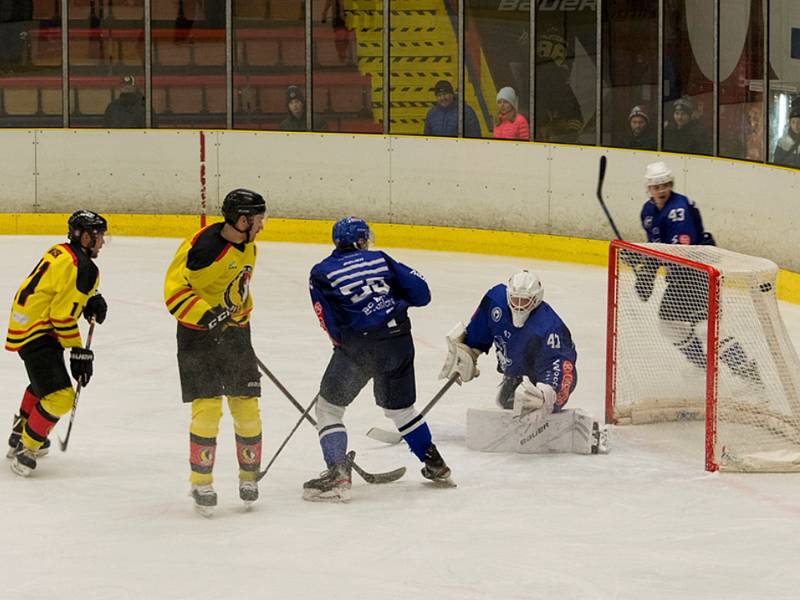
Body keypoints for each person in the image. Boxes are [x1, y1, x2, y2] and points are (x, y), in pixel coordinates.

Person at [304, 217, 453, 502]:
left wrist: (344, 348)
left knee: (329, 409)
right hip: (399, 342)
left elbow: (326, 318)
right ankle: (436, 465)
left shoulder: (321, 272)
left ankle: (337, 474)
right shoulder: (379, 260)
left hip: (360, 347)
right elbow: (422, 294)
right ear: (360, 240)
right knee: (401, 410)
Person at [163, 189, 267, 516]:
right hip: (197, 336)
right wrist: (207, 317)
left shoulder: (249, 244)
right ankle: (201, 481)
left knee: (246, 406)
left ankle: (249, 477)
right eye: (259, 218)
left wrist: (237, 321)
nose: (263, 224)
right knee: (207, 409)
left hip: (234, 334)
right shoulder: (201, 250)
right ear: (242, 219)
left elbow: (240, 289)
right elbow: (174, 293)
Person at [438, 270, 607, 455]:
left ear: (536, 300)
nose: (518, 306)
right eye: (515, 299)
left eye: (524, 301)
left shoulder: (549, 326)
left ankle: (578, 428)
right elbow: (480, 330)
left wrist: (548, 394)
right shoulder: (495, 301)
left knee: (535, 405)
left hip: (546, 375)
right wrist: (469, 351)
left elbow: (563, 365)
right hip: (518, 372)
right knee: (508, 400)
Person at [634, 162, 761, 384]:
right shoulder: (648, 211)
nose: (660, 190)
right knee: (670, 323)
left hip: (698, 274)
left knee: (706, 328)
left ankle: (747, 373)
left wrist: (646, 263)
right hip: (680, 280)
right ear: (649, 189)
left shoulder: (678, 209)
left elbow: (682, 252)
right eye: (655, 187)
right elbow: (658, 247)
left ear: (671, 184)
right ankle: (704, 364)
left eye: (664, 185)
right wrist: (647, 268)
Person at [5, 210, 108, 476]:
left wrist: (90, 298)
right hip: (38, 331)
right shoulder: (84, 268)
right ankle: (26, 448)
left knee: (44, 383)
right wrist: (77, 350)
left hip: (25, 322)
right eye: (99, 236)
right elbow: (61, 316)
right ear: (86, 237)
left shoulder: (60, 251)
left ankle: (20, 431)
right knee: (60, 397)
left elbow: (59, 287)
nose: (103, 242)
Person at [773, 104, 800, 168]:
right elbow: (776, 163)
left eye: (799, 122)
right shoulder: (782, 142)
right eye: (793, 122)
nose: (796, 126)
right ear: (789, 123)